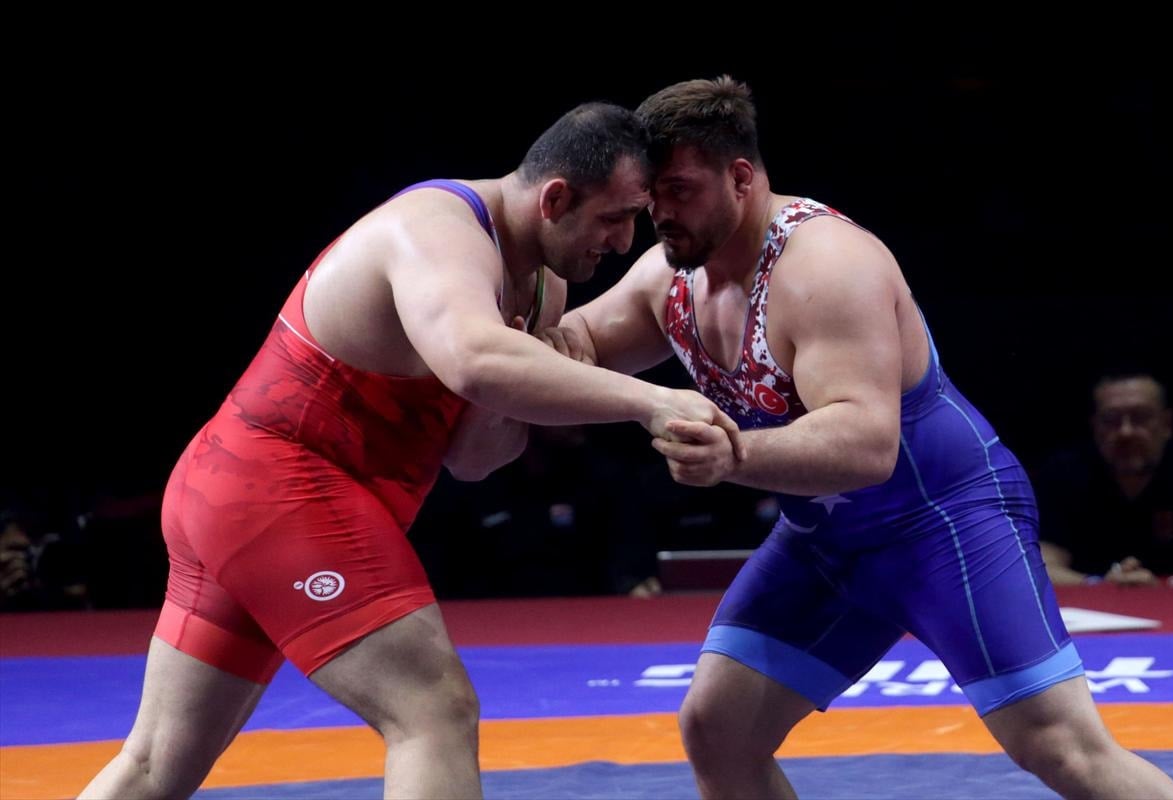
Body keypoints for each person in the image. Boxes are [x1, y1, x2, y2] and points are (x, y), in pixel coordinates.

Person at [543, 77, 1173, 799]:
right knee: (718, 731)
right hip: (826, 541)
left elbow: (866, 445)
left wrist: (735, 454)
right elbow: (575, 347)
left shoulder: (826, 266)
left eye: (679, 190)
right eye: (649, 197)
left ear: (741, 178)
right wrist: (504, 323)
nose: (661, 214)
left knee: (1062, 747)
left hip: (944, 523)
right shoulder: (670, 277)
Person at [79, 102, 745, 800]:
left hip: (240, 499)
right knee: (432, 712)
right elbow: (472, 360)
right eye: (616, 217)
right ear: (554, 199)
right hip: (278, 487)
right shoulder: (435, 229)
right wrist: (651, 400)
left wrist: (514, 384)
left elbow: (473, 460)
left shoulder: (544, 284)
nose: (625, 241)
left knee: (154, 766)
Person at [1036, 372, 1173, 586]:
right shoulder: (1063, 474)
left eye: (1140, 417)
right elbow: (1042, 565)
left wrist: (1169, 586)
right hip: (1090, 602)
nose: (1125, 432)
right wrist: (1098, 585)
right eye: (1111, 420)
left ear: (1167, 423)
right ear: (1095, 426)